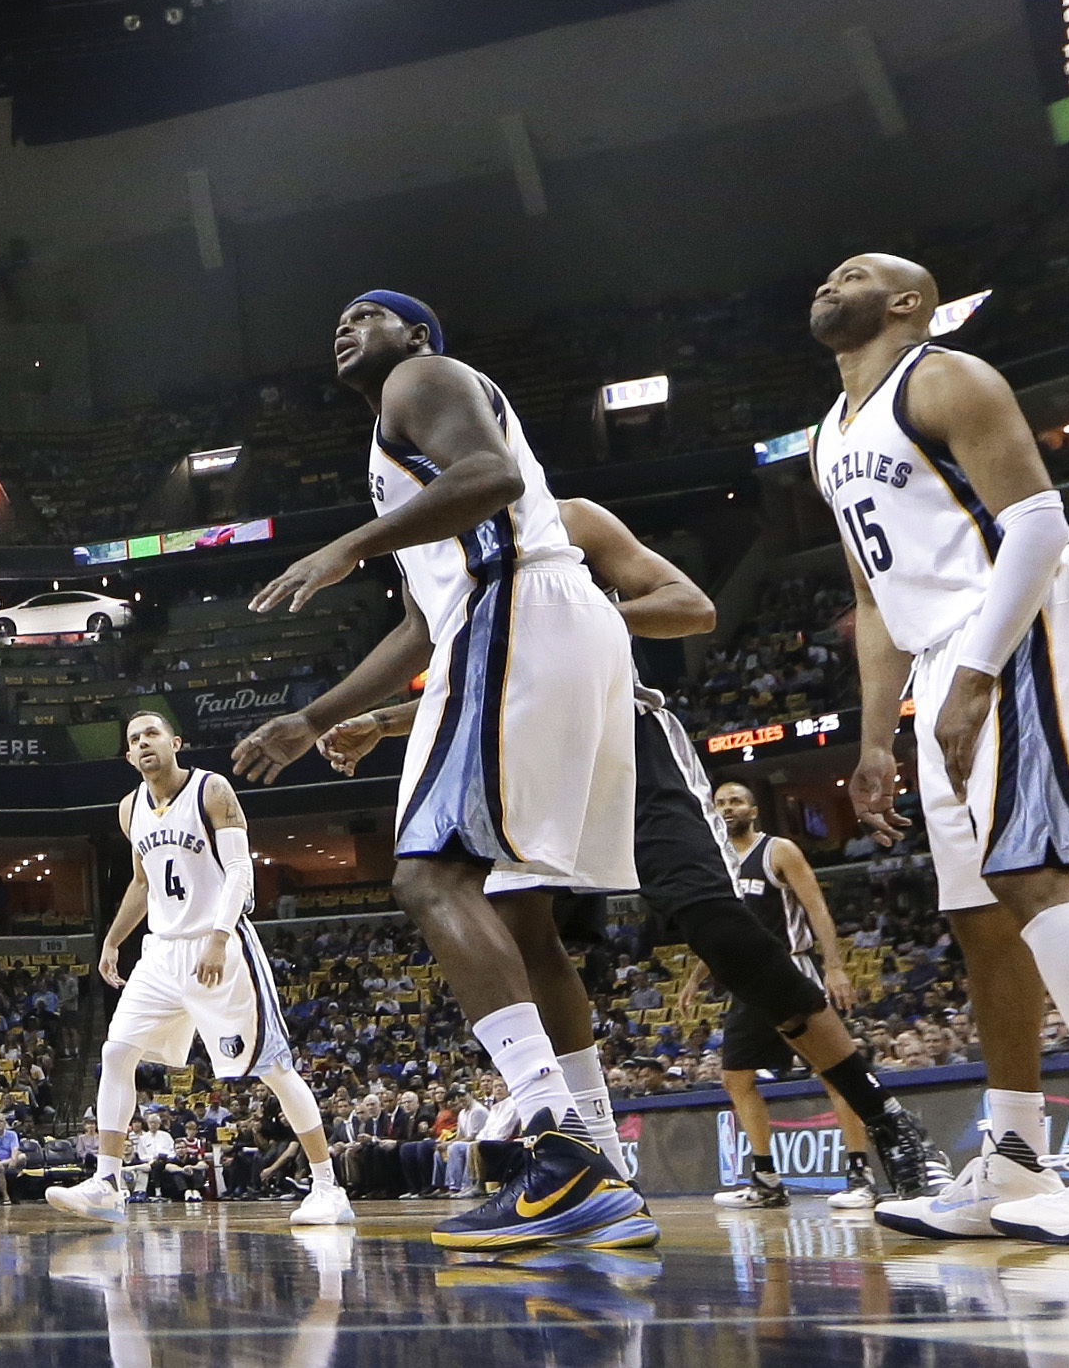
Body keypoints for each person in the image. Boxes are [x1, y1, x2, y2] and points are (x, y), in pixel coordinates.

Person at [316, 495, 945, 1211]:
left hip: (624, 732)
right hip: (523, 747)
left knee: (718, 926)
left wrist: (575, 622)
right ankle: (600, 1155)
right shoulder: (428, 561)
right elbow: (481, 671)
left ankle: (888, 1121)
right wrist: (382, 721)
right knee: (524, 930)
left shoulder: (568, 521)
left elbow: (692, 606)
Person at [811, 251, 1069, 1242]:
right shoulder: (829, 435)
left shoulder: (943, 374)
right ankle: (1013, 1153)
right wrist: (877, 736)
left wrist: (976, 673)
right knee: (979, 913)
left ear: (906, 300)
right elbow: (870, 600)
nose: (832, 278)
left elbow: (1038, 526)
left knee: (1034, 874)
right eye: (827, 273)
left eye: (857, 270)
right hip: (934, 653)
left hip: (1013, 625)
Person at [231, 291, 647, 1253]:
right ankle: (598, 1163)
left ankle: (556, 1149)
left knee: (429, 875)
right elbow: (424, 623)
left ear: (415, 336)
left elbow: (493, 477)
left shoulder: (421, 380)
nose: (344, 325)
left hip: (521, 615)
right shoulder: (398, 446)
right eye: (334, 318)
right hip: (521, 622)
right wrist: (314, 717)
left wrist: (347, 546)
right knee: (522, 915)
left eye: (368, 314)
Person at [46, 707, 352, 1229]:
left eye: (152, 734)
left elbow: (239, 871)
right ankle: (106, 1182)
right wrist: (113, 941)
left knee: (274, 1068)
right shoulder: (129, 809)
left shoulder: (211, 790)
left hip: (219, 946)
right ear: (127, 755)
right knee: (117, 1051)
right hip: (161, 952)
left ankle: (328, 1187)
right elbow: (142, 884)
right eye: (134, 738)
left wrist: (218, 935)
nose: (143, 743)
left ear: (175, 742)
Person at [709, 779, 884, 1210]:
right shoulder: (716, 863)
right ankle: (766, 1180)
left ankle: (860, 1175)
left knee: (834, 1074)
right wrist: (698, 975)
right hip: (748, 980)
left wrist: (835, 966)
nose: (727, 808)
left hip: (790, 968)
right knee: (736, 1077)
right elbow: (722, 925)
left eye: (736, 801)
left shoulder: (779, 850)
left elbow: (816, 908)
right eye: (720, 803)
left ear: (753, 810)